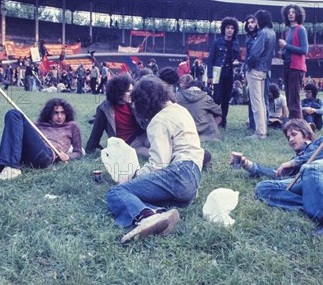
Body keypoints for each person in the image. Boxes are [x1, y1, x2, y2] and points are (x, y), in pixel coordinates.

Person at [106, 76, 204, 243]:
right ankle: (159, 214)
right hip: (193, 180)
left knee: (117, 192)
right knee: (139, 194)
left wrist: (133, 177)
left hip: (178, 173)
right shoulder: (180, 110)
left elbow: (158, 165)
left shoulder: (158, 121)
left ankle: (146, 217)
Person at [235, 119, 323, 237]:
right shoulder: (295, 160)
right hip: (304, 181)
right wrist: (246, 164)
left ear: (306, 134)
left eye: (294, 134)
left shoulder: (322, 141)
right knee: (262, 188)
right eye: (288, 137)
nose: (290, 139)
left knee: (308, 168)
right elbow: (274, 173)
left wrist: (294, 162)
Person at [85, 74, 149, 155]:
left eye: (132, 90)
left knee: (161, 146)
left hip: (142, 135)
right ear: (119, 92)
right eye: (129, 91)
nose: (132, 94)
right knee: (151, 154)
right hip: (128, 143)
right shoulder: (104, 109)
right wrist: (90, 149)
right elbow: (96, 132)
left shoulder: (133, 102)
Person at [245, 10, 276, 139]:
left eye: (256, 20)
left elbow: (255, 53)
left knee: (256, 102)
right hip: (264, 70)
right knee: (262, 102)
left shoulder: (263, 33)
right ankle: (262, 130)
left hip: (256, 69)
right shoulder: (272, 32)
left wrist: (248, 66)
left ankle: (260, 132)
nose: (255, 23)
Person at [207, 17, 241, 129]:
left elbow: (238, 58)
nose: (230, 30)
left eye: (232, 28)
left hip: (229, 74)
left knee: (226, 99)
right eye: (227, 28)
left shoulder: (236, 44)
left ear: (234, 30)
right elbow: (210, 60)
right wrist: (210, 76)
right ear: (224, 29)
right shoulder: (217, 42)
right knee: (217, 98)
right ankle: (213, 120)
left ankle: (223, 122)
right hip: (218, 74)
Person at [279, 4, 308, 119]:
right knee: (289, 98)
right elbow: (290, 49)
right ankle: (294, 124)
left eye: (293, 12)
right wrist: (283, 53)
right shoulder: (288, 31)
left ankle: (298, 126)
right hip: (288, 66)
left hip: (296, 68)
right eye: (289, 12)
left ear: (298, 14)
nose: (290, 14)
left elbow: (304, 50)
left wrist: (286, 46)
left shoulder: (300, 29)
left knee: (294, 99)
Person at [177, 74, 222, 141]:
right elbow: (219, 112)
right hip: (203, 133)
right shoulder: (206, 98)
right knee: (212, 112)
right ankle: (211, 132)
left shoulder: (177, 96)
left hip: (182, 131)